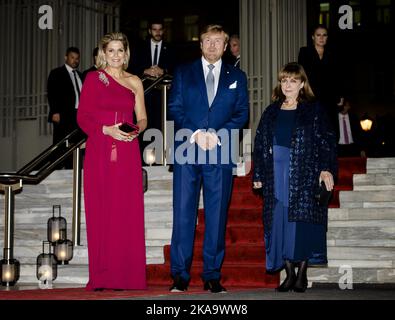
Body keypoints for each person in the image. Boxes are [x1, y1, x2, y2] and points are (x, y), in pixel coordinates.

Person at [168, 24, 249, 293]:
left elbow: (241, 113)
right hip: (187, 150)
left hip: (220, 150)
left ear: (226, 46)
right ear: (200, 44)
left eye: (218, 41)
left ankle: (212, 274)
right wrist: (196, 133)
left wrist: (217, 134)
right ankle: (180, 275)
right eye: (207, 40)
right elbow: (175, 107)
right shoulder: (182, 72)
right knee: (183, 214)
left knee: (216, 216)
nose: (212, 45)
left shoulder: (237, 75)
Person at [253, 62, 337, 293]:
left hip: (303, 172)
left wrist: (325, 168)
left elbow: (326, 141)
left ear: (302, 84)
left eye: (292, 80)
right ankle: (288, 273)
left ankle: (302, 274)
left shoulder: (314, 110)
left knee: (300, 223)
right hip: (274, 173)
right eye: (284, 80)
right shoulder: (271, 111)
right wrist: (258, 173)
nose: (287, 85)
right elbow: (260, 144)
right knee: (280, 222)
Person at [77, 32, 148, 291]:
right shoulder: (94, 79)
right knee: (101, 211)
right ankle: (101, 276)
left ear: (126, 53)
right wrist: (106, 129)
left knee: (126, 212)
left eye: (120, 50)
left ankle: (126, 276)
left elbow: (142, 118)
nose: (116, 55)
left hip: (127, 152)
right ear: (103, 53)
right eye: (111, 51)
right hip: (100, 149)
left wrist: (134, 131)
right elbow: (83, 116)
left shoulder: (135, 81)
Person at [129, 19, 175, 165]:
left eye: (160, 29)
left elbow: (178, 69)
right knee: (144, 127)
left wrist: (164, 71)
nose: (157, 32)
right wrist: (145, 71)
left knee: (162, 128)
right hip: (145, 96)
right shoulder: (139, 48)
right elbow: (131, 68)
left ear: (163, 31)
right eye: (154, 29)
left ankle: (162, 161)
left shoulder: (171, 48)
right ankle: (142, 161)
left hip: (163, 98)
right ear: (149, 31)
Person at [298, 24, 344, 128]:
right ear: (313, 37)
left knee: (330, 129)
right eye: (318, 35)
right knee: (311, 128)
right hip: (310, 97)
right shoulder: (304, 52)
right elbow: (301, 75)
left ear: (327, 37)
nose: (322, 38)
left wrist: (340, 96)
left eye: (324, 35)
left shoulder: (333, 53)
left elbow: (338, 76)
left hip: (330, 98)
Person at [47, 47, 83, 168]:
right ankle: (55, 170)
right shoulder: (57, 73)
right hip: (63, 115)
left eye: (77, 58)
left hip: (79, 115)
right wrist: (55, 111)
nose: (75, 61)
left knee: (75, 144)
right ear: (66, 57)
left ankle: (72, 169)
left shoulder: (80, 75)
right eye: (72, 57)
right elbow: (52, 93)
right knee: (60, 145)